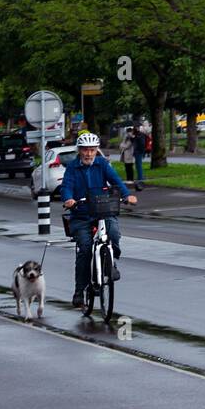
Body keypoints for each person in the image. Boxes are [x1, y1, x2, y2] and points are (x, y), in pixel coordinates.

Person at [60, 131, 136, 307]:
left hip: (103, 211)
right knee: (85, 249)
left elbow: (115, 180)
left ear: (96, 151)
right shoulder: (73, 167)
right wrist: (68, 199)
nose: (88, 154)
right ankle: (80, 291)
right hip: (81, 214)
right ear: (79, 150)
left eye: (92, 150)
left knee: (114, 233)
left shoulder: (102, 164)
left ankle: (111, 262)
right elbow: (66, 186)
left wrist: (126, 195)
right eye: (85, 150)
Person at [131, 123, 147, 190]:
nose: (136, 128)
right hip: (137, 151)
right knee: (138, 165)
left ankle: (140, 178)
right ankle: (140, 177)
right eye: (135, 127)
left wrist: (135, 138)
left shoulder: (140, 134)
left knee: (139, 164)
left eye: (137, 127)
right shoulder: (136, 134)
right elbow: (134, 142)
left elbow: (141, 143)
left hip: (138, 151)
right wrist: (133, 138)